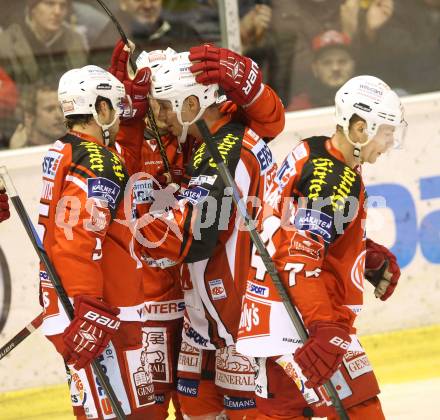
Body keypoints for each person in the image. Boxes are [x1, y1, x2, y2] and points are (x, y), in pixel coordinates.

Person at [109, 40, 285, 419]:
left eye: (160, 102)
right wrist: (127, 123)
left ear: (189, 99)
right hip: (174, 303)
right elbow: (112, 182)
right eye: (146, 100)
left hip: (225, 307)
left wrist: (250, 82)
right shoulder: (162, 131)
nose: (156, 112)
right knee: (177, 408)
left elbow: (271, 121)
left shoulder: (223, 137)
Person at [236, 75, 405, 419]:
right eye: (385, 132)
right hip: (302, 326)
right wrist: (324, 328)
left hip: (265, 321)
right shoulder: (334, 177)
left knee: (278, 413)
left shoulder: (311, 149)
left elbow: (293, 231)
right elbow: (300, 260)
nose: (388, 143)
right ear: (359, 128)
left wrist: (361, 253)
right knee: (360, 410)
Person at [38, 64, 156, 419]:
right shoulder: (99, 162)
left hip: (73, 305)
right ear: (100, 108)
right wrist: (88, 305)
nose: (119, 116)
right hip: (101, 311)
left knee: (96, 413)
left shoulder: (63, 150)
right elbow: (77, 238)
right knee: (134, 415)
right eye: (115, 107)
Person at [0, 0, 88, 90]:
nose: (57, 12)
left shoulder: (75, 40)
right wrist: (35, 98)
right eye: (49, 4)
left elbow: (86, 83)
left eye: (63, 6)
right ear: (33, 8)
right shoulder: (7, 44)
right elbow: (6, 92)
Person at [287, 30, 355, 111]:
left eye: (342, 62)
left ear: (352, 65)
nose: (335, 68)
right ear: (315, 69)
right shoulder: (300, 107)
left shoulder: (369, 100)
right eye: (327, 63)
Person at [9, 80, 65, 148]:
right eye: (50, 109)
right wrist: (16, 152)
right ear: (30, 116)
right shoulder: (21, 151)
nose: (59, 115)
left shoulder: (73, 144)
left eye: (61, 109)